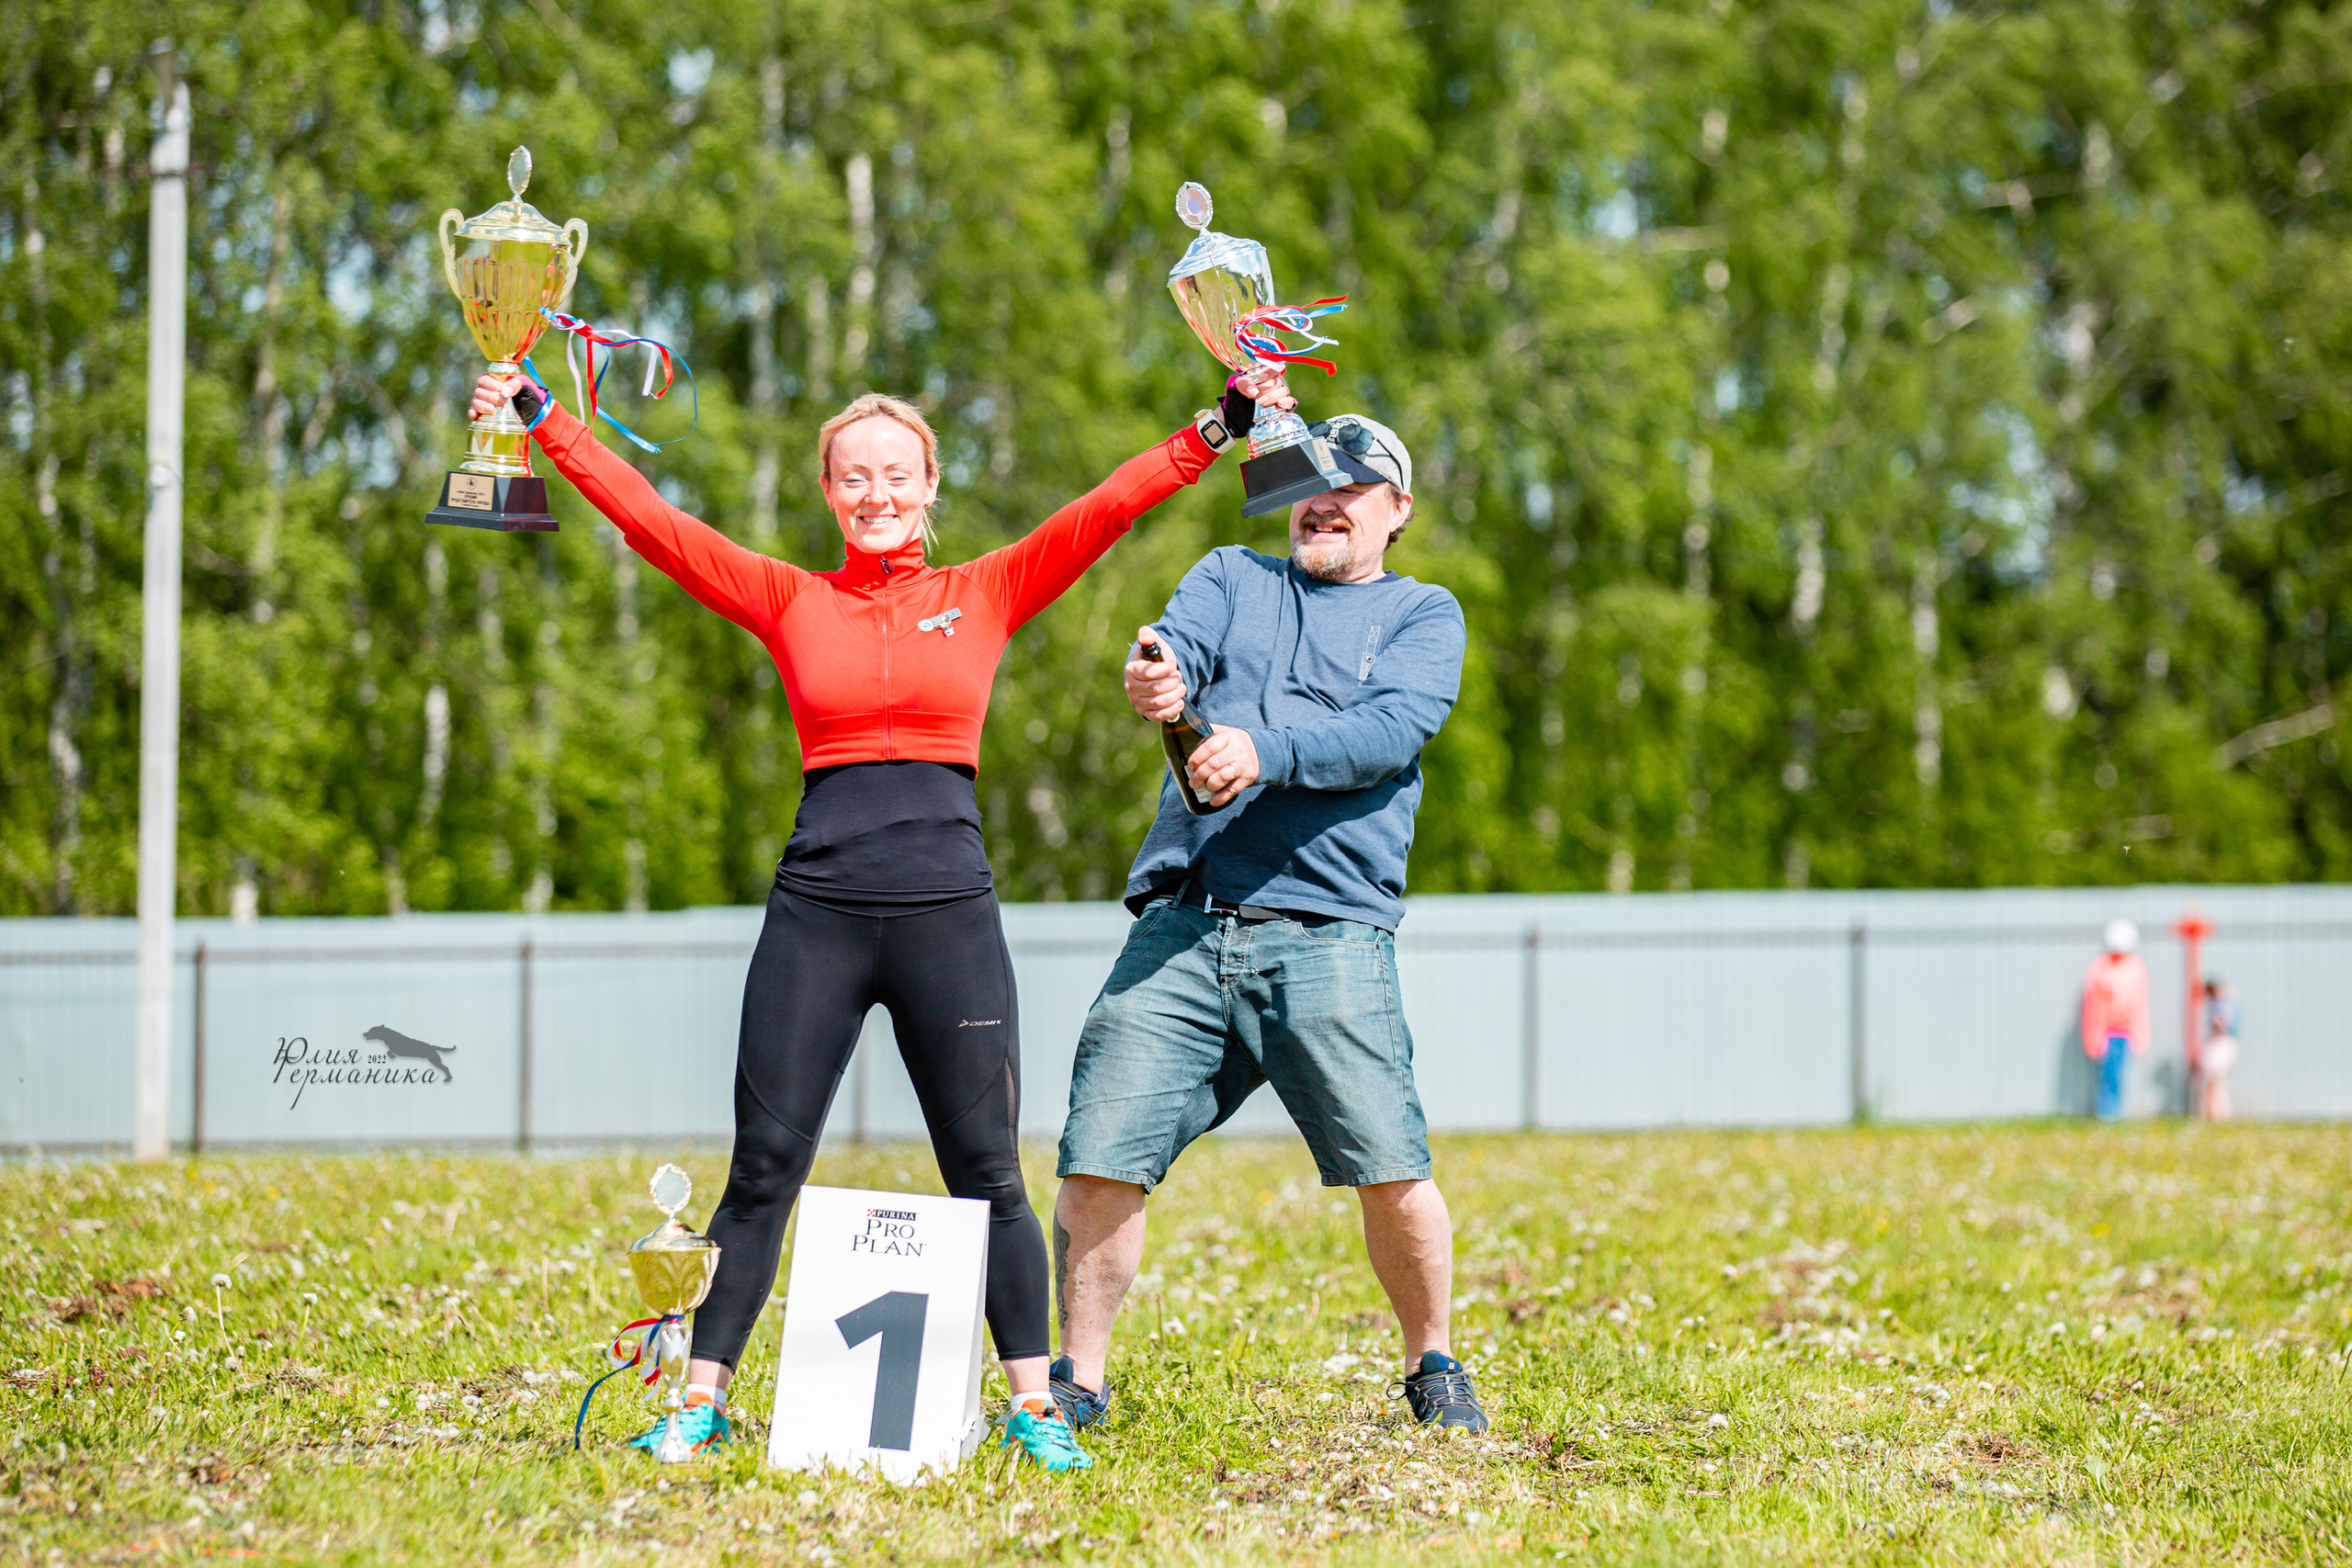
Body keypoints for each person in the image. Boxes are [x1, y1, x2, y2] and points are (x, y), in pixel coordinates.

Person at [467, 363, 1287, 1470]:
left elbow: (1103, 510)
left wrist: (1215, 427)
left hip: (947, 912)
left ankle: (1035, 1409)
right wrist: (541, 419)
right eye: (854, 478)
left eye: (895, 475)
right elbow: (653, 524)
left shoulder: (988, 588)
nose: (875, 494)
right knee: (762, 1166)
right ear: (828, 491)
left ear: (929, 482)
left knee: (987, 1171)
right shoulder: (787, 597)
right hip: (819, 911)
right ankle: (699, 1403)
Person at [1046, 412, 1491, 1435]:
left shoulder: (1426, 612)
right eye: (1306, 486)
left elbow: (1390, 732)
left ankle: (1433, 1366)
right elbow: (1176, 651)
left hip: (1330, 929)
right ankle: (1078, 1381)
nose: (1320, 503)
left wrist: (1262, 750)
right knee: (1100, 1150)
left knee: (1387, 1160)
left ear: (1397, 511)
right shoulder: (1228, 576)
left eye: (1350, 487)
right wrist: (1156, 677)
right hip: (1185, 922)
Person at [2080, 919, 2151, 1122]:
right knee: (2108, 1076)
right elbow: (2093, 1006)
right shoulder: (2099, 967)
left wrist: (2141, 1034)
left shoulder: (2136, 966)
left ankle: (2115, 1114)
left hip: (2126, 1031)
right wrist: (2093, 1037)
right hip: (2106, 1032)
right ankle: (2108, 1115)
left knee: (2118, 1075)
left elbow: (2140, 1004)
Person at [2200, 978, 2241, 1120]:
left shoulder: (2219, 1005)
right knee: (2220, 1083)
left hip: (2220, 1043)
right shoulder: (2231, 1004)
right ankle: (2222, 1115)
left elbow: (2220, 1022)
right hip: (2229, 1043)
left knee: (2212, 1081)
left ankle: (2214, 1115)